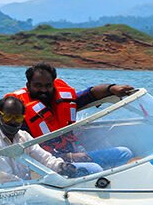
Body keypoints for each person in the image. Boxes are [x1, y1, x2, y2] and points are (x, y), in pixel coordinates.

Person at [7, 63, 135, 172]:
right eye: (38, 86)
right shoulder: (19, 112)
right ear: (28, 86)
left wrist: (112, 88)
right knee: (94, 169)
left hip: (74, 156)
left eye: (48, 85)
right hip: (48, 164)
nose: (44, 90)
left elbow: (91, 94)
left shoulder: (63, 100)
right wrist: (68, 157)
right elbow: (22, 149)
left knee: (124, 152)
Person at [0, 96, 80, 186]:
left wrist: (62, 167)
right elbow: (5, 179)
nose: (13, 122)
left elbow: (45, 159)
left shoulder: (24, 137)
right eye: (8, 117)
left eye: (18, 118)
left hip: (23, 191)